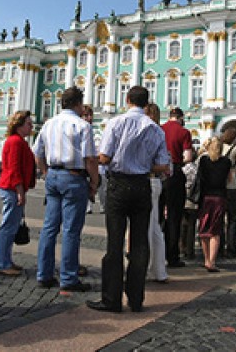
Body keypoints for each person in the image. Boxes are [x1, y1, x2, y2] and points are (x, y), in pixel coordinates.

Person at [86, 86, 170, 313]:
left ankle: (111, 299)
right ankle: (136, 298)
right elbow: (163, 165)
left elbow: (104, 157)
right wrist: (143, 164)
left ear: (127, 99)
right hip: (142, 185)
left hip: (118, 185)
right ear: (146, 103)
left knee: (115, 243)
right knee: (140, 243)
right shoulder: (156, 130)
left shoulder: (116, 123)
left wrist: (96, 163)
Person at [33, 87, 98, 292]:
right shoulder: (82, 125)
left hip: (53, 175)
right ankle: (68, 277)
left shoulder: (48, 124)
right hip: (73, 177)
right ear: (78, 104)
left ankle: (44, 273)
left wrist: (46, 172)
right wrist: (94, 182)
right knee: (71, 229)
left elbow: (38, 153)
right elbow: (89, 159)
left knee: (49, 227)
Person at [0, 110, 36, 275]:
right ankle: (1, 263)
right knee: (8, 227)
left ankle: (6, 260)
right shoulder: (15, 142)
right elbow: (14, 168)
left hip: (14, 187)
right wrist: (20, 190)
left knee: (11, 226)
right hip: (11, 187)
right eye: (28, 124)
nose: (31, 126)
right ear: (19, 125)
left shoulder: (19, 141)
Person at [160, 107, 193, 268]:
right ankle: (172, 255)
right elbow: (188, 157)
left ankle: (157, 253)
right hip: (175, 172)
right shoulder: (184, 132)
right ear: (180, 117)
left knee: (158, 215)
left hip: (160, 172)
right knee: (174, 216)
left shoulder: (160, 129)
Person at [196, 136, 232, 272]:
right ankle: (212, 261)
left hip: (205, 197)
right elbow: (229, 179)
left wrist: (203, 148)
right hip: (219, 197)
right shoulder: (226, 162)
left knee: (204, 230)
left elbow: (198, 175)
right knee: (215, 231)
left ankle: (206, 259)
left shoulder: (204, 161)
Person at [143, 103, 168, 283]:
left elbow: (163, 165)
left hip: (148, 180)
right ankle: (159, 271)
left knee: (146, 228)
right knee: (155, 229)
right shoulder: (160, 133)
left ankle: (145, 268)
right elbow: (167, 165)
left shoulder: (149, 133)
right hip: (156, 181)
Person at [220, 128, 236, 258]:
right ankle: (231, 248)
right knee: (232, 218)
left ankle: (219, 247)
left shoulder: (219, 147)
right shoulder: (235, 149)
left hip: (220, 186)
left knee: (220, 218)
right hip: (232, 185)